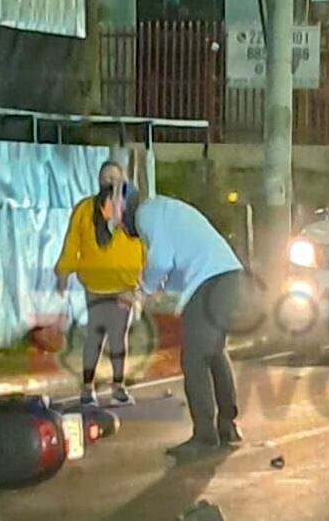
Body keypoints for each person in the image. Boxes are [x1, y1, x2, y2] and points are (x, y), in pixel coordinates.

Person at [129, 194, 247, 461]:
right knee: (214, 352)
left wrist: (144, 290)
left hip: (212, 280)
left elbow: (160, 261)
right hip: (228, 277)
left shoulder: (146, 213)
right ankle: (227, 427)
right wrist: (160, 288)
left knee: (194, 358)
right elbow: (175, 263)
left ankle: (205, 438)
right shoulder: (165, 210)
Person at [55, 161, 145, 407]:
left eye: (115, 179)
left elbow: (146, 242)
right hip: (95, 286)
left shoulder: (134, 210)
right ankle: (87, 387)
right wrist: (63, 271)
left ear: (124, 181)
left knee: (118, 337)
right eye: (105, 178)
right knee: (94, 336)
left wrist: (146, 281)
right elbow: (72, 241)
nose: (110, 183)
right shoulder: (85, 209)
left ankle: (119, 387)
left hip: (124, 285)